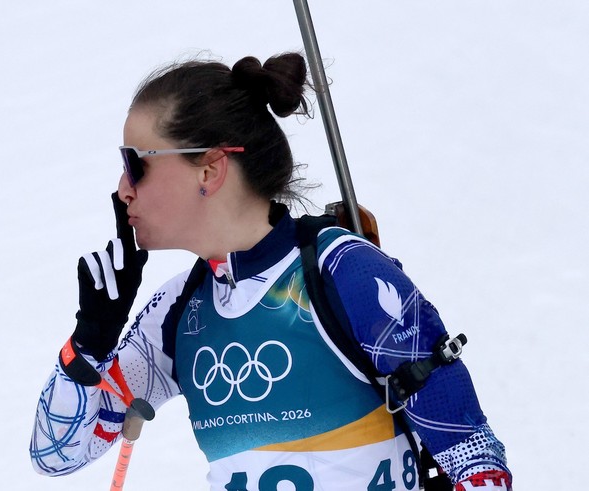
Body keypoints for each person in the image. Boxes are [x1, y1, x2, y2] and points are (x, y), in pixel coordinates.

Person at [29, 52, 512, 490]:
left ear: (210, 169)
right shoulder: (183, 309)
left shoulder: (343, 273)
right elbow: (56, 456)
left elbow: (474, 458)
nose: (122, 190)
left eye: (136, 165)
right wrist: (89, 344)